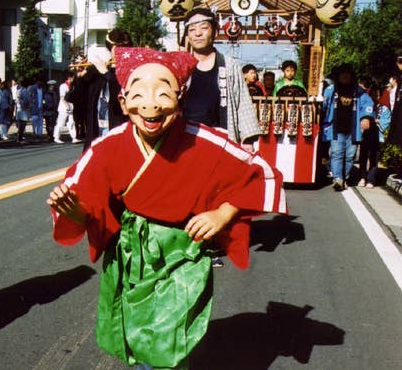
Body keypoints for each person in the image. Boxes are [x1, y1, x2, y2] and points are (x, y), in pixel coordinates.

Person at [47, 47, 286, 368]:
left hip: (182, 255)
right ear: (123, 101)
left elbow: (262, 175)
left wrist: (223, 213)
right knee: (139, 336)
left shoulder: (205, 139)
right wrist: (75, 212)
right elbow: (82, 202)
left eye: (163, 93)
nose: (150, 106)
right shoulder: (108, 147)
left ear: (181, 99)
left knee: (169, 342)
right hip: (131, 256)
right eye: (139, 95)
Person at [182, 8, 261, 153]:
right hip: (185, 140)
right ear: (187, 35)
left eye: (204, 28)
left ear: (215, 32)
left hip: (221, 139)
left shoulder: (229, 64)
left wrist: (247, 140)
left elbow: (241, 102)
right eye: (192, 29)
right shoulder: (180, 65)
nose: (198, 33)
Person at [322, 63, 374, 191]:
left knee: (350, 155)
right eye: (342, 74)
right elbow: (323, 106)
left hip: (353, 129)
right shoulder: (330, 90)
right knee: (336, 153)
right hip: (336, 128)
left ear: (351, 76)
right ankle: (338, 178)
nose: (345, 76)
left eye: (347, 73)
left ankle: (345, 177)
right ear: (338, 76)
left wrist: (366, 117)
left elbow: (368, 104)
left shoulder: (359, 92)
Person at [80, 29, 131, 149]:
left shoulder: (129, 70)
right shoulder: (98, 70)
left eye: (120, 47)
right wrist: (80, 77)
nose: (116, 50)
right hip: (97, 129)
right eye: (114, 47)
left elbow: (118, 98)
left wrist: (106, 73)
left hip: (118, 125)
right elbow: (76, 97)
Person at [54, 71, 80, 144]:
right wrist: (67, 106)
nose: (73, 78)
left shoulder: (73, 86)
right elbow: (62, 97)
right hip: (64, 106)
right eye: (73, 77)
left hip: (71, 105)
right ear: (69, 77)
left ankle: (74, 137)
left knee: (71, 122)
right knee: (61, 122)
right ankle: (56, 137)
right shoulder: (63, 86)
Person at [15, 78, 31, 143]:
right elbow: (25, 100)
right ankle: (19, 138)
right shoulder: (24, 91)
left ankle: (19, 137)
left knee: (20, 124)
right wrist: (25, 105)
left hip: (20, 109)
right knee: (22, 125)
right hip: (23, 109)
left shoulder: (19, 90)